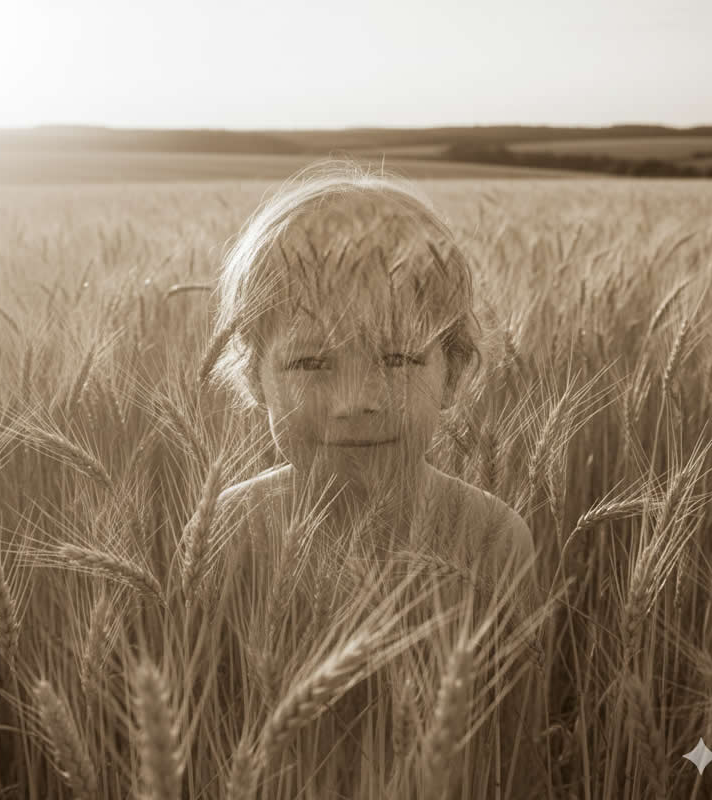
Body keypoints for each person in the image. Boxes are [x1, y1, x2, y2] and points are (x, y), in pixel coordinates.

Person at [206, 159, 546, 797]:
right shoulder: (231, 530)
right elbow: (205, 743)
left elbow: (515, 760)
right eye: (310, 361)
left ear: (454, 373)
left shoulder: (493, 539)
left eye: (397, 357)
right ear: (254, 377)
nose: (355, 399)